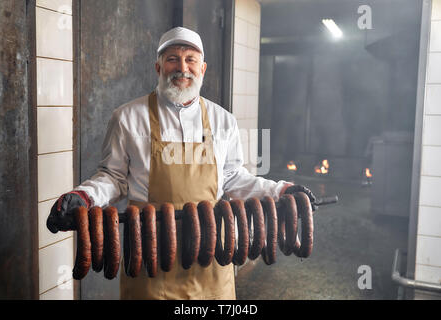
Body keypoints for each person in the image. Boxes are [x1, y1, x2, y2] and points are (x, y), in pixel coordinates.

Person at [47, 27, 315, 300]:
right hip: (150, 252)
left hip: (211, 252)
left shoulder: (223, 120)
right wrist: (84, 196)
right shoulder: (128, 117)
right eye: (172, 58)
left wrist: (281, 190)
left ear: (203, 68)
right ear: (158, 67)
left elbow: (233, 177)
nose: (182, 67)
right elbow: (113, 177)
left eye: (191, 59)